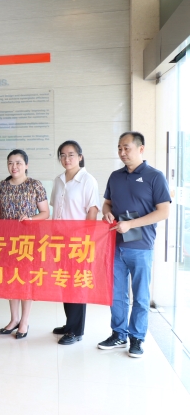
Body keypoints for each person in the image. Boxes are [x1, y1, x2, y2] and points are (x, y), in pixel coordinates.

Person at [98, 131, 171, 358]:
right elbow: (107, 204)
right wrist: (107, 213)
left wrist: (131, 224)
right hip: (115, 244)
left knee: (140, 296)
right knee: (116, 294)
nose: (122, 152)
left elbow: (164, 211)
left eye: (126, 148)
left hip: (141, 247)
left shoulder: (155, 176)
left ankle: (137, 338)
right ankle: (118, 334)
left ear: (141, 149)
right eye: (119, 148)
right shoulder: (115, 176)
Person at [0, 149, 49, 339]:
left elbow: (45, 213)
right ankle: (14, 319)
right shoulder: (2, 185)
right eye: (10, 162)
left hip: (28, 240)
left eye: (18, 162)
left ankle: (24, 321)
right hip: (7, 239)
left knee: (26, 279)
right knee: (10, 278)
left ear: (26, 165)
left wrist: (31, 219)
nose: (14, 166)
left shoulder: (35, 185)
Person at [50, 141, 100, 345]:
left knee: (77, 284)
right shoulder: (58, 180)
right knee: (65, 282)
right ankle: (69, 324)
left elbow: (92, 212)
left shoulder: (88, 181)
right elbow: (56, 211)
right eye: (62, 155)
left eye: (71, 154)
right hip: (59, 241)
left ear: (80, 157)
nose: (66, 159)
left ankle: (76, 331)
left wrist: (86, 242)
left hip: (78, 242)